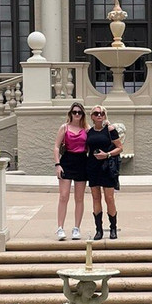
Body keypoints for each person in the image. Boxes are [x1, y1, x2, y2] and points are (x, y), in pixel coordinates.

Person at [85, 104, 124, 240]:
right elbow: (86, 149)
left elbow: (120, 147)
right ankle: (99, 230)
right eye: (96, 113)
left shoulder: (110, 130)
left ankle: (113, 228)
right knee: (96, 198)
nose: (99, 115)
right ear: (92, 116)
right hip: (93, 167)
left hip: (107, 167)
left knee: (109, 198)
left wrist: (107, 154)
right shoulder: (89, 132)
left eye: (101, 113)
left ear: (105, 115)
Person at [53, 102, 88, 240]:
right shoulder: (64, 127)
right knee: (63, 196)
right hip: (67, 161)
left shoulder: (86, 129)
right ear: (71, 113)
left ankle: (76, 228)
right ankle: (60, 228)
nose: (77, 114)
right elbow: (56, 147)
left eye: (79, 112)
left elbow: (96, 139)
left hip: (82, 162)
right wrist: (57, 164)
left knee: (79, 198)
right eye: (75, 112)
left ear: (83, 114)